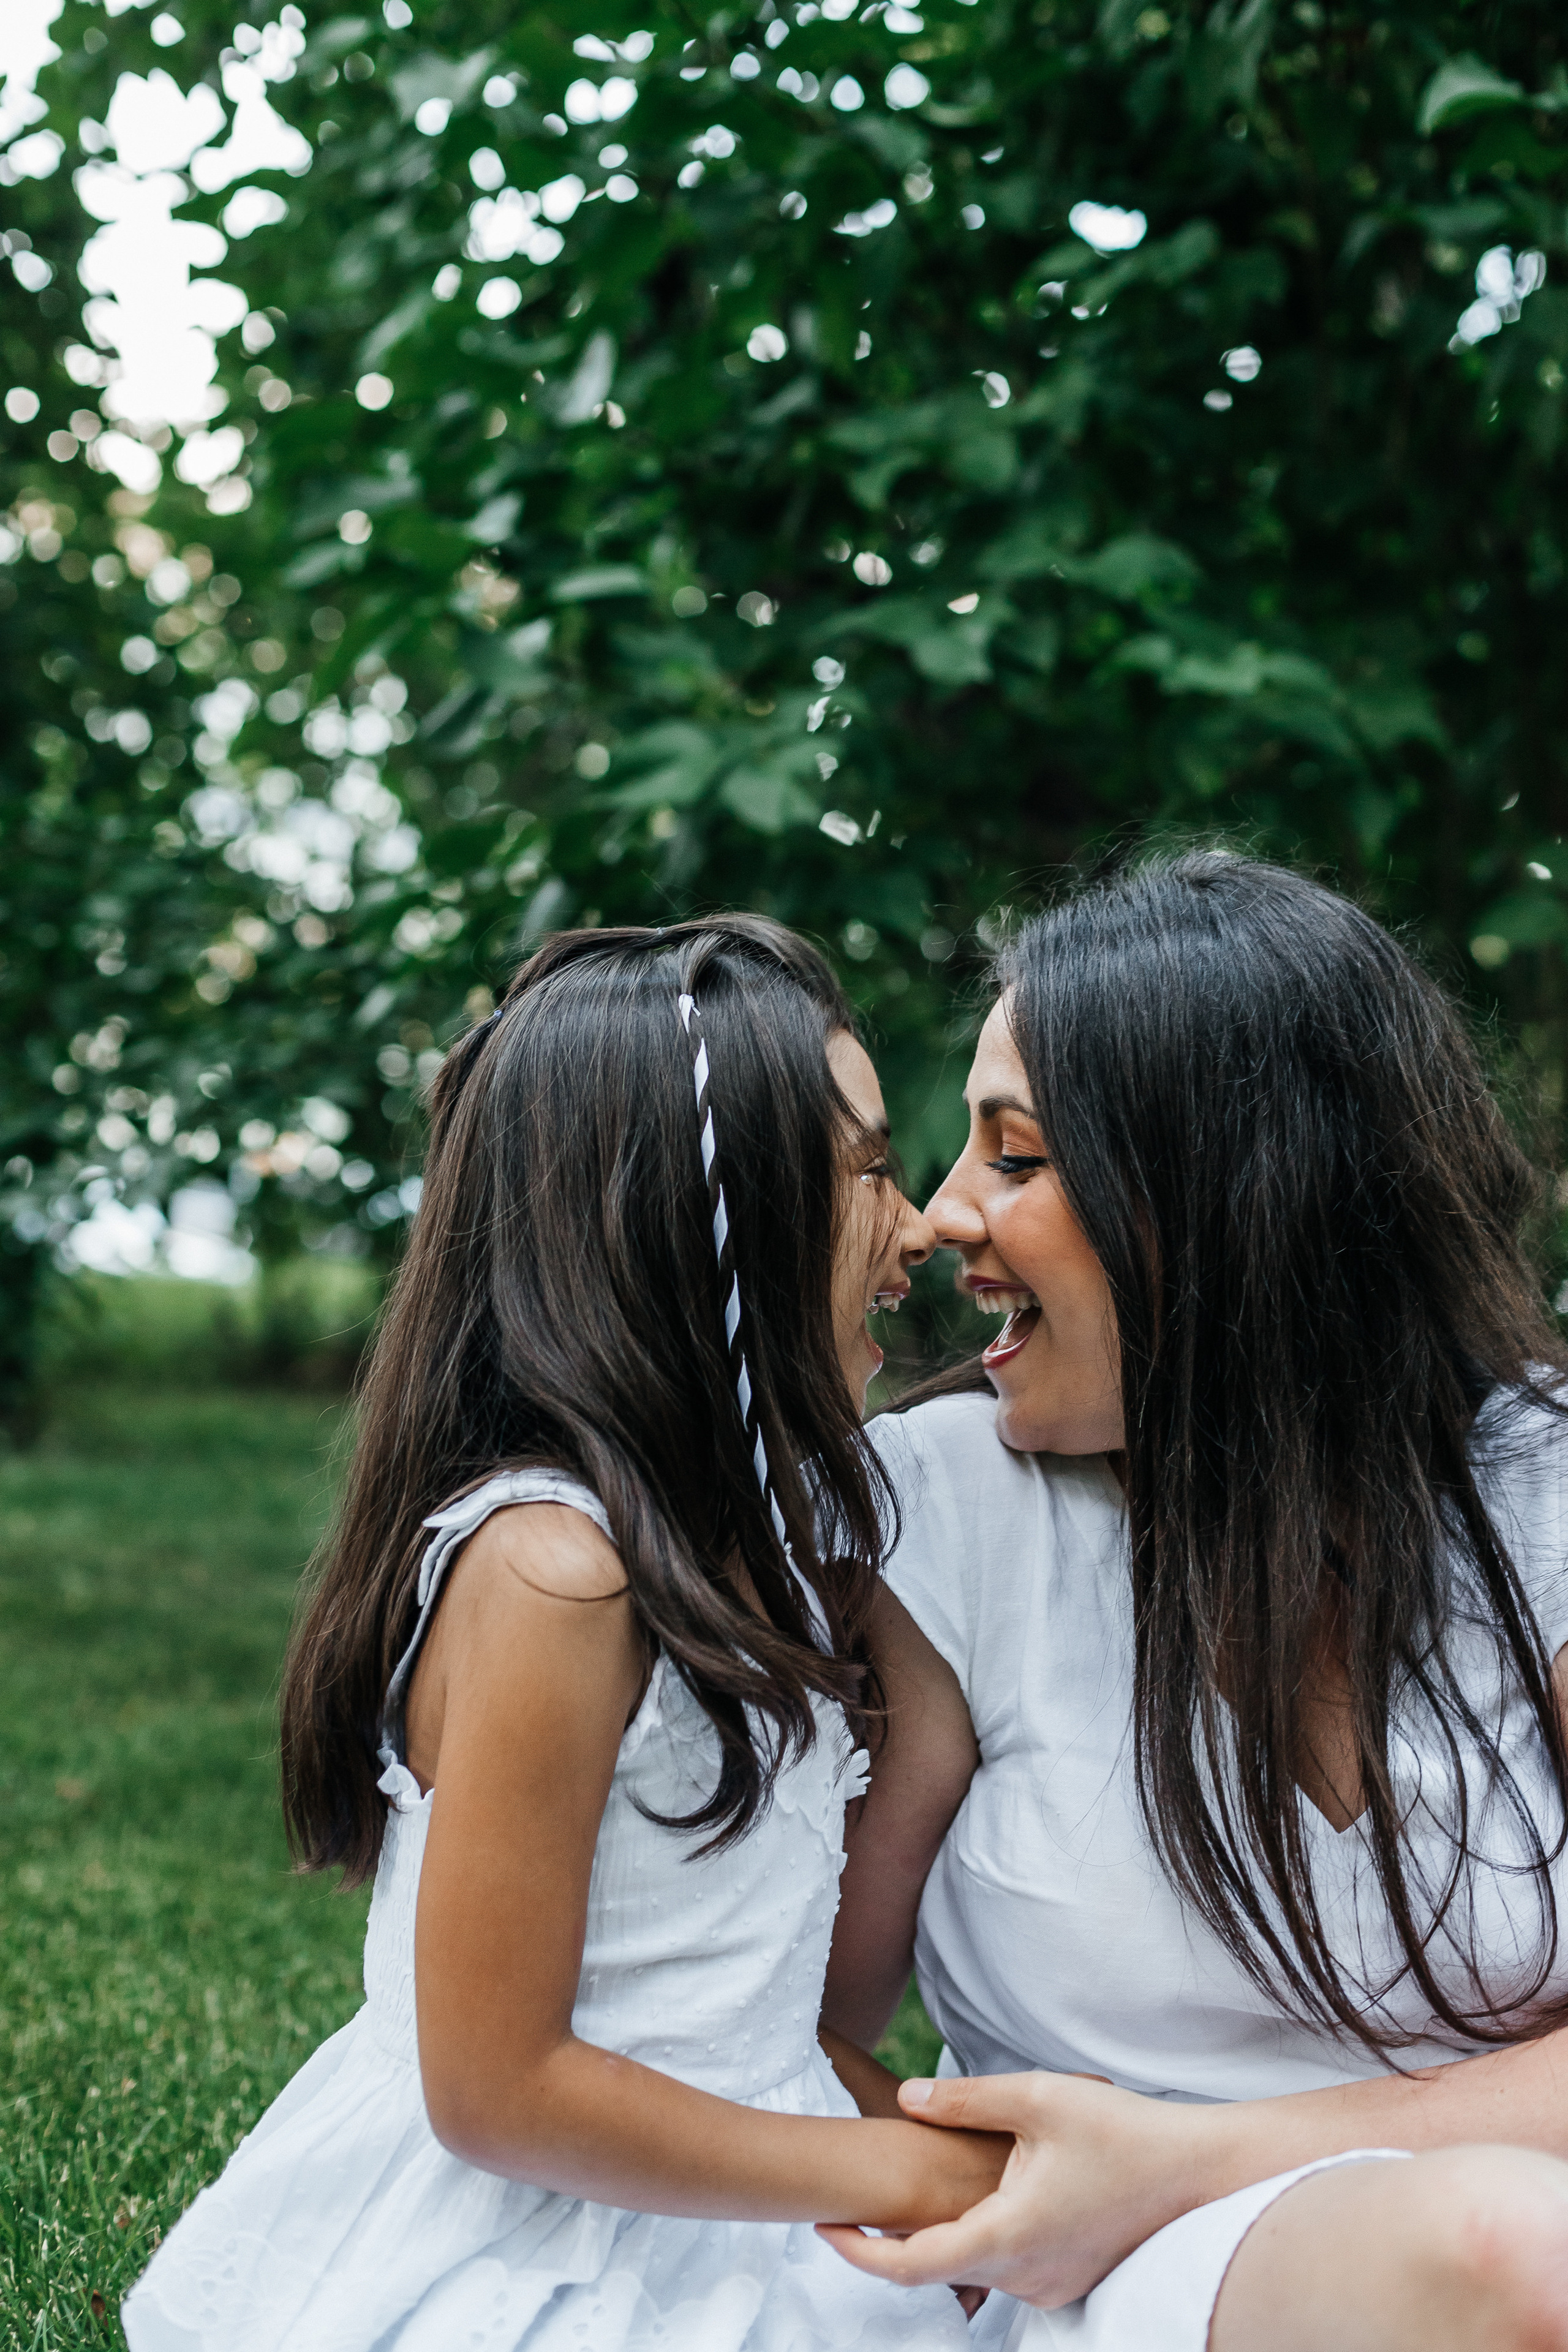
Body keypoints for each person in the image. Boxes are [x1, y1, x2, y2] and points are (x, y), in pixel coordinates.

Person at [123, 916, 1005, 2352]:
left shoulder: (756, 1551)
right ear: (691, 1226)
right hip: (541, 2245)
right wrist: (901, 2165)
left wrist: (916, 2130)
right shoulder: (555, 1577)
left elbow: (736, 2010)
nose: (913, 1226)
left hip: (730, 2181)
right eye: (864, 1169)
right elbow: (501, 2088)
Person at [820, 853, 1568, 2351]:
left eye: (1016, 1159)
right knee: (1505, 2249)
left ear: (1226, 1204)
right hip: (1128, 2297)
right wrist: (1001, 2204)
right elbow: (775, 2014)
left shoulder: (1535, 1485)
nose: (947, 1215)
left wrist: (1181, 2164)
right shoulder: (944, 1511)